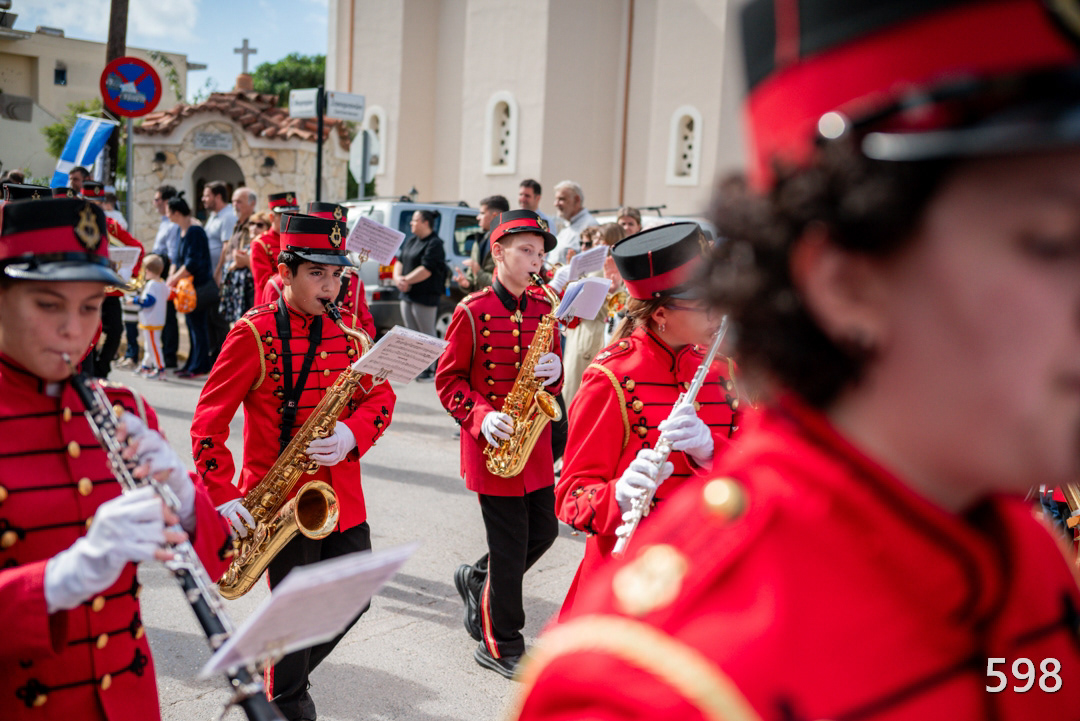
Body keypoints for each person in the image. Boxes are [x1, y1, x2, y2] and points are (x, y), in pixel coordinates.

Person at [512, 1, 1080, 717]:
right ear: (846, 282)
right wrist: (618, 496)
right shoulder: (647, 688)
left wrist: (709, 453)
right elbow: (583, 490)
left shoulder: (1027, 559)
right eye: (1049, 241)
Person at [0, 196, 231, 721]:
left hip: (127, 703)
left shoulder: (124, 410)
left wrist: (184, 495)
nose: (74, 330)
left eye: (89, 307)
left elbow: (219, 562)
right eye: (49, 305)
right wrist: (59, 580)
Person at [190, 213, 396, 721]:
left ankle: (279, 674)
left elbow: (380, 398)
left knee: (353, 598)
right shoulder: (253, 334)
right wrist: (222, 493)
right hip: (280, 502)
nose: (330, 287)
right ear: (285, 272)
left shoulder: (349, 334)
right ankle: (286, 699)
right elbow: (208, 422)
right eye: (317, 274)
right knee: (297, 610)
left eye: (337, 275)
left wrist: (351, 434)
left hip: (341, 496)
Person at [554, 222, 741, 617]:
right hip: (632, 583)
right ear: (661, 313)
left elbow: (758, 468)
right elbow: (571, 497)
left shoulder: (724, 371)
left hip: (712, 568)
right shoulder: (610, 378)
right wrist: (618, 495)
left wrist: (712, 451)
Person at [435, 209, 563, 679]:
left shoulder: (545, 307)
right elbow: (448, 380)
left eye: (540, 253)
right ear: (498, 252)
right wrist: (482, 417)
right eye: (526, 250)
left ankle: (478, 579)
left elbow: (552, 374)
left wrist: (556, 372)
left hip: (534, 443)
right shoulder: (472, 310)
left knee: (544, 531)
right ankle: (500, 643)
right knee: (509, 549)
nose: (536, 261)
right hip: (493, 445)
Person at [553, 223, 625, 406]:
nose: (596, 244)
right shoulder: (604, 266)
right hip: (583, 330)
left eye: (601, 240)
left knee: (575, 391)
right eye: (596, 240)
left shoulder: (605, 267)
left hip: (590, 331)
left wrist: (573, 279)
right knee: (573, 388)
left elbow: (589, 303)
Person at [305, 202, 376, 339]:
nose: (334, 238)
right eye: (326, 232)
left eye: (340, 232)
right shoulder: (285, 281)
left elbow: (366, 325)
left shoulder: (354, 280)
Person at [393, 209, 446, 380]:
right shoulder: (411, 240)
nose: (411, 223)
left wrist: (406, 280)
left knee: (427, 333)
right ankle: (415, 367)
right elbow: (399, 261)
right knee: (411, 333)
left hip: (425, 295)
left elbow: (427, 269)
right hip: (407, 294)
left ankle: (431, 369)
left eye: (415, 220)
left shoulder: (435, 243)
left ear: (425, 223)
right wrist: (398, 279)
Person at [164, 196, 213, 378]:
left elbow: (193, 262)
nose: (167, 215)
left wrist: (173, 279)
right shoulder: (181, 230)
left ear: (176, 212)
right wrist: (172, 276)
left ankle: (199, 366)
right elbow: (177, 259)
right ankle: (191, 364)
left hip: (198, 286)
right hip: (186, 287)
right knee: (192, 325)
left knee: (198, 327)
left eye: (168, 211)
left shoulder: (195, 231)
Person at [200, 181, 234, 363]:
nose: (203, 199)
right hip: (211, 276)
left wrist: (218, 271)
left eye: (207, 195)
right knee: (211, 318)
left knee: (219, 320)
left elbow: (225, 246)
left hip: (218, 277)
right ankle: (214, 359)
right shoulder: (214, 216)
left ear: (218, 196)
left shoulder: (228, 216)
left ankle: (225, 360)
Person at [151, 186, 181, 368]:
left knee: (168, 315)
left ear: (166, 202)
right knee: (160, 313)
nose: (154, 203)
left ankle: (170, 355)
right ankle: (163, 352)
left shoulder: (172, 225)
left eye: (157, 199)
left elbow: (172, 254)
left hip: (166, 268)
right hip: (159, 267)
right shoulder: (164, 222)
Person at [455, 195, 509, 292]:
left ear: (495, 216)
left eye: (482, 213)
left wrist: (478, 272)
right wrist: (466, 284)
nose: (478, 217)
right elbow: (473, 280)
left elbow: (503, 283)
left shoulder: (508, 243)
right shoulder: (479, 240)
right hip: (481, 298)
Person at [219, 211, 265, 325]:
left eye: (259, 225)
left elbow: (265, 278)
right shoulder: (247, 247)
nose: (254, 227)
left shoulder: (266, 248)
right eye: (252, 223)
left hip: (254, 297)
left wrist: (247, 262)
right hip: (239, 299)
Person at [250, 191, 298, 299]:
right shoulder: (260, 243)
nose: (291, 220)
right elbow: (264, 281)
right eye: (285, 216)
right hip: (271, 300)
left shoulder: (297, 241)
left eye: (294, 215)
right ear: (271, 217)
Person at [129, 254, 169, 380]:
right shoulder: (162, 283)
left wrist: (134, 300)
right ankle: (146, 366)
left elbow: (149, 301)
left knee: (154, 346)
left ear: (148, 271)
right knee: (150, 345)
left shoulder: (152, 284)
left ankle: (160, 369)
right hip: (157, 320)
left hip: (151, 321)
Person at [547, 181, 597, 266]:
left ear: (576, 200)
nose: (555, 204)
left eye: (561, 199)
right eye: (556, 199)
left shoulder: (590, 225)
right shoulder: (566, 224)